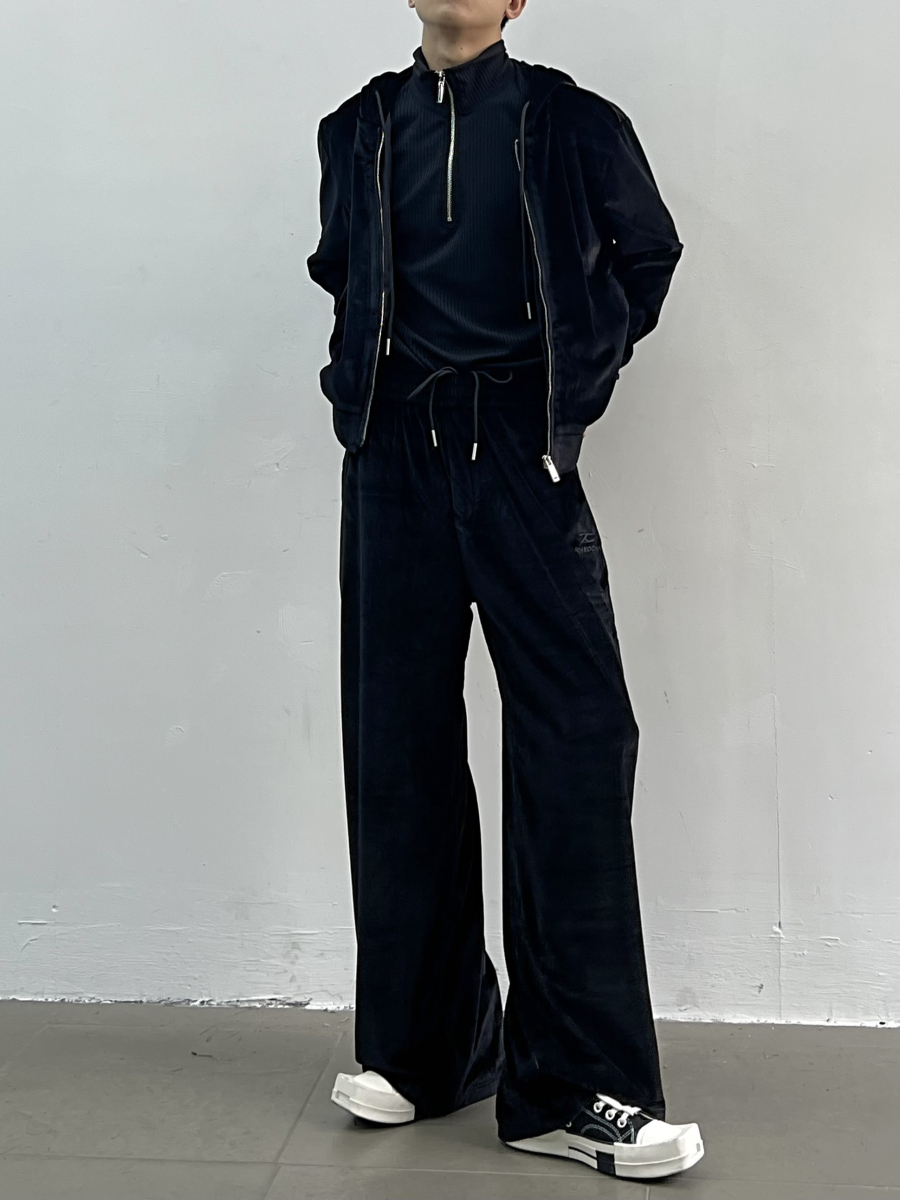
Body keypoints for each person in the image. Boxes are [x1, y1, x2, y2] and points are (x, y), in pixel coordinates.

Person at [306, 0, 704, 1180]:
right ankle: (427, 1051)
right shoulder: (356, 127)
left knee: (575, 742)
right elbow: (343, 270)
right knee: (399, 753)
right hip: (393, 458)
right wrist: (358, 384)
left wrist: (568, 384)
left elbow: (647, 255)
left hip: (521, 455)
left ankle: (575, 1087)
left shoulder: (571, 122)